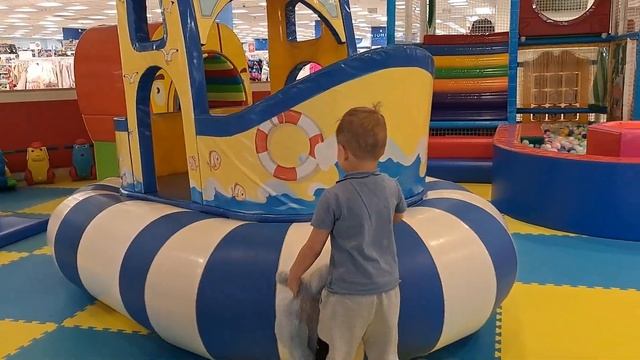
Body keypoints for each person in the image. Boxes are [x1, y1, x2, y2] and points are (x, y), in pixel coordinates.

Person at [287, 105, 407, 360]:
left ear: (342, 152)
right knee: (385, 353)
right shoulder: (391, 187)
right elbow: (397, 217)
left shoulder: (333, 196)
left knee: (337, 351)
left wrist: (295, 274)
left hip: (347, 296)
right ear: (383, 151)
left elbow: (314, 246)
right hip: (387, 291)